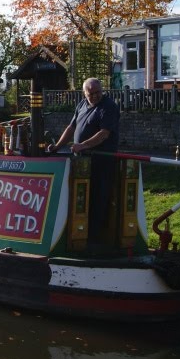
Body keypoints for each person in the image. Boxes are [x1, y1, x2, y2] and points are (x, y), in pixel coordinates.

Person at [47, 78, 120, 244]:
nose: (95, 96)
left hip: (101, 160)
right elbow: (71, 127)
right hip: (82, 160)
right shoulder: (82, 104)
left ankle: (94, 238)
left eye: (98, 92)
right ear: (84, 93)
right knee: (80, 196)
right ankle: (78, 232)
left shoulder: (109, 107)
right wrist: (57, 146)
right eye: (91, 93)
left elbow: (104, 133)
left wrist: (83, 145)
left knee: (97, 197)